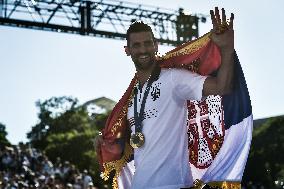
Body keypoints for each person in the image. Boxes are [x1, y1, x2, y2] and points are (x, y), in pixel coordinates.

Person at [96, 7, 249, 189]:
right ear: (127, 50)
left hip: (175, 185)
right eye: (136, 45)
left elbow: (222, 87)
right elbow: (128, 148)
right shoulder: (131, 97)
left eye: (147, 43)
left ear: (156, 45)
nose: (143, 49)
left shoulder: (174, 78)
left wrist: (226, 49)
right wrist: (107, 144)